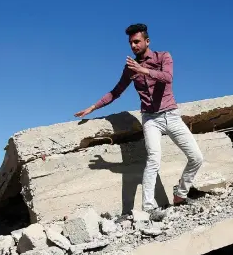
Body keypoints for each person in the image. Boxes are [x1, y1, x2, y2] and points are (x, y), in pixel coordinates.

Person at [75, 23, 203, 213]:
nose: (133, 46)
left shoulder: (163, 56)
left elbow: (167, 77)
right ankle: (149, 208)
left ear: (147, 41)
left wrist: (143, 70)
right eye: (130, 43)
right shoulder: (130, 69)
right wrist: (93, 107)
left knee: (197, 158)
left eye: (137, 41)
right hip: (150, 119)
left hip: (171, 115)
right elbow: (116, 92)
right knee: (153, 159)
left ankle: (180, 194)